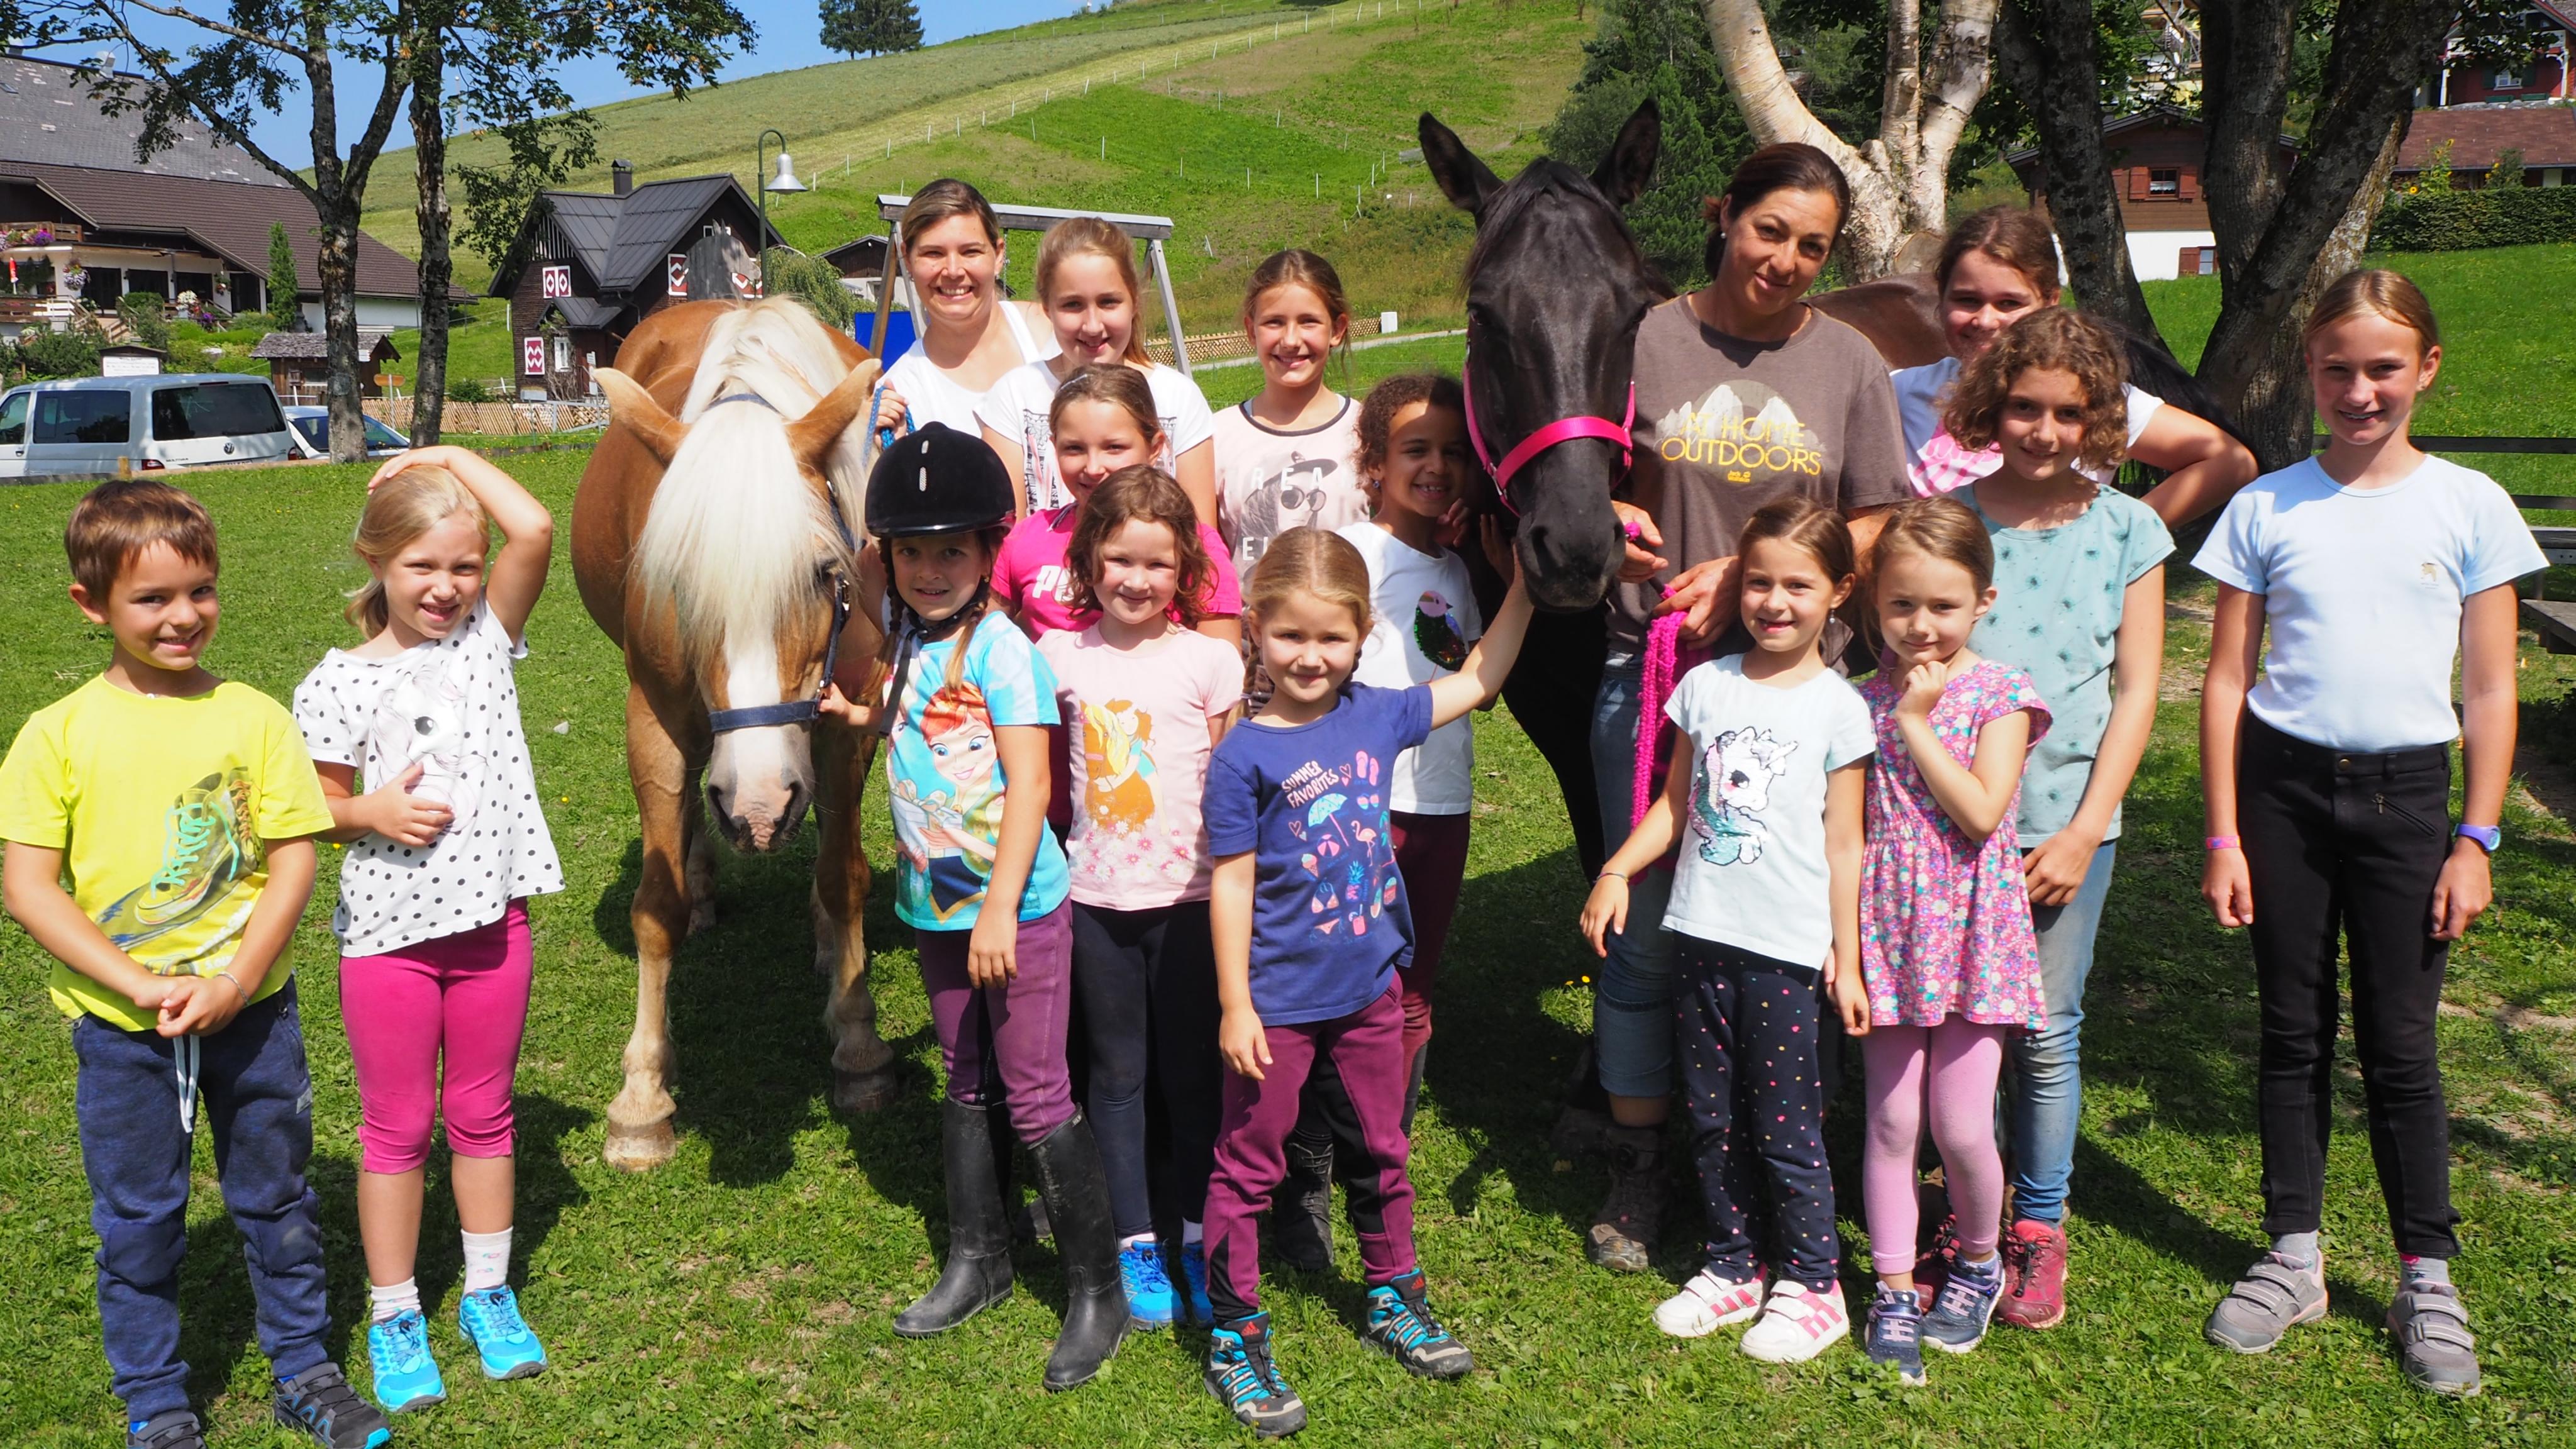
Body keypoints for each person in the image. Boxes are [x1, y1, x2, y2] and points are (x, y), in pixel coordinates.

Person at [2196, 269, 2542, 1398]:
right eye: (2336, 368)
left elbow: (2490, 688)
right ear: (2308, 370)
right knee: (2292, 1030)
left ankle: (2425, 1273)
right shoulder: (2267, 505)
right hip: (2281, 797)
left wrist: (2476, 839)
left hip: (2408, 803)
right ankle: (2294, 1254)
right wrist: (2223, 835)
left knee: (2400, 1044)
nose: (2359, 391)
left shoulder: (2469, 505)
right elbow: (2226, 679)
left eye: (2383, 368)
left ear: (2426, 368)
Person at [0, 481, 392, 1449]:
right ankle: (158, 1404)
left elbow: (293, 857)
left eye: (201, 591)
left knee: (279, 1200)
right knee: (139, 1221)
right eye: (153, 598)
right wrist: (137, 986)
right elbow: (30, 888)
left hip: (254, 1017)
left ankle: (304, 1369)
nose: (184, 616)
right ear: (91, 604)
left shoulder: (253, 718)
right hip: (124, 1035)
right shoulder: (56, 735)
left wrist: (235, 981)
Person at [1585, 142, 1911, 1274]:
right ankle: (1640, 1157)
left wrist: (1755, 570)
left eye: (1812, 245)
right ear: (1724, 214)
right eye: (1770, 229)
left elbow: (1878, 514)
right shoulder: (1643, 340)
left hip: (1799, 688)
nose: (1785, 259)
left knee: (1791, 927)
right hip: (1655, 673)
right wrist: (1615, 523)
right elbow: (1590, 474)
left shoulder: (1851, 360)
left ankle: (1793, 1147)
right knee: (1647, 926)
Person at [1198, 526, 1533, 1437]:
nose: (1310, 657)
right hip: (1276, 1006)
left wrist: (1528, 588)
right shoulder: (1242, 757)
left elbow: (1478, 680)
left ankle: (1394, 1294)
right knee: (1249, 1167)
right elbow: (1230, 885)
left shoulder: (1378, 715)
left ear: (1361, 637)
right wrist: (1235, 1004)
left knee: (1384, 1151)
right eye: (1290, 635)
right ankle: (1234, 1335)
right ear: (1256, 629)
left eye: (1331, 638)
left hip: (1371, 992)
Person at [816, 423, 1125, 1394]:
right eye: (911, 553)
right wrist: (861, 715)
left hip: (1012, 910)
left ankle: (1098, 1291)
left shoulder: (1004, 653)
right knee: (963, 1078)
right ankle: (980, 1258)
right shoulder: (910, 638)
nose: (929, 571)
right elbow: (911, 713)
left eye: (951, 551)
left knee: (1036, 1093)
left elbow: (1031, 787)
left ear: (992, 552)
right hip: (934, 905)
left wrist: (999, 912)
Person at [292, 449, 564, 1413]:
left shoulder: (486, 641)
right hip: (388, 942)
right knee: (397, 1129)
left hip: (493, 928)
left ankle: (489, 1295)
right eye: (421, 566)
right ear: (375, 562)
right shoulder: (334, 683)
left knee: (484, 1115)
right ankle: (396, 1313)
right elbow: (316, 809)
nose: (445, 587)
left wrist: (446, 455)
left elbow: (537, 527)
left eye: (464, 565)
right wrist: (369, 813)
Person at [1580, 497, 1873, 1363]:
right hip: (1701, 936)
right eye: (1759, 583)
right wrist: (1616, 869)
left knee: (1786, 1124)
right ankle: (1733, 1264)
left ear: (1839, 592)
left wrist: (1847, 956)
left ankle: (1814, 1284)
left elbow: (1846, 841)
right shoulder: (1702, 687)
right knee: (1710, 1115)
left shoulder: (1839, 708)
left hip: (1788, 956)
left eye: (1798, 586)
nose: (1774, 603)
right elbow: (1675, 805)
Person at [1935, 308, 2171, 1330]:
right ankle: (1963, 1213)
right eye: (2024, 406)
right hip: (1947, 826)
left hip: (2060, 827)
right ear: (1993, 404)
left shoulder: (2129, 529)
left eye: (2067, 413)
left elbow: (2137, 689)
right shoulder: (1945, 519)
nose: (2043, 430)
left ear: (2097, 418)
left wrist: (2083, 828)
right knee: (1953, 1025)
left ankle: (2038, 1224)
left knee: (2042, 1031)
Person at [1035, 465, 1244, 1332]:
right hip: (1096, 902)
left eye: (1158, 564)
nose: (1136, 579)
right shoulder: (1056, 658)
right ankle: (1135, 1243)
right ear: (1088, 561)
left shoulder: (1212, 660)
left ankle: (1195, 1235)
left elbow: (1234, 785)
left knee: (1193, 1080)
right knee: (1116, 1078)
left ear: (1185, 570)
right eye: (1120, 559)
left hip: (1193, 904)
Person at [1851, 497, 2050, 1385]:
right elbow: (1844, 831)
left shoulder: (2001, 693)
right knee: (1893, 1119)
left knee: (1962, 1123)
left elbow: (1978, 812)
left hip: (1974, 933)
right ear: (1874, 604)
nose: (1920, 625)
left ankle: (1976, 1262)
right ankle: (1894, 1288)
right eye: (1901, 605)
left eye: (1942, 605)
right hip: (1889, 930)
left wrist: (1916, 723)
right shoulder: (1857, 702)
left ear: (1983, 602)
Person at [1890, 206, 2256, 523]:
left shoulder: (2091, 398)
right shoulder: (1898, 393)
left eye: (2009, 304)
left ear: (2050, 302)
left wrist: (2119, 538)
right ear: (1941, 298)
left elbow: (2230, 462)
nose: (1986, 321)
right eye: (1967, 300)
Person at [979, 216, 1217, 523]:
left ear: (1134, 302)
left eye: (1108, 303)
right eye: (1073, 305)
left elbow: (1200, 535)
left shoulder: (1178, 398)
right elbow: (1007, 535)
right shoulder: (1014, 396)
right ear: (1048, 309)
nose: (1092, 326)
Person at [993, 364, 1242, 647]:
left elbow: (1221, 660)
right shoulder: (1028, 538)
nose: (1094, 468)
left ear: (1155, 448)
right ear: (1054, 446)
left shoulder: (1194, 544)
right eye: (1074, 448)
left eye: (1114, 448)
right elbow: (978, 641)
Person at [1213, 250, 1368, 576]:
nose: (1291, 340)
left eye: (1308, 321)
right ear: (1251, 330)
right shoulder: (1217, 436)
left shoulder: (1367, 430)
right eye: (1274, 322)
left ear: (1337, 329)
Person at [872, 179, 1060, 437]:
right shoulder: (902, 396)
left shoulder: (1053, 334)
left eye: (970, 252)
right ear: (908, 259)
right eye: (934, 253)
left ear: (998, 255)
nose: (953, 271)